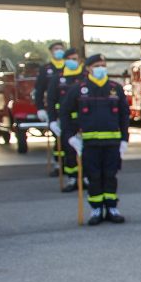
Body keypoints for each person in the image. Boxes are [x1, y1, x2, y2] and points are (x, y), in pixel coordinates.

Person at [62, 54, 129, 225]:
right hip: (90, 144)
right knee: (94, 177)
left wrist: (124, 139)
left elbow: (124, 116)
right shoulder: (79, 89)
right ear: (89, 68)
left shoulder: (115, 88)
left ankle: (112, 208)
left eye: (103, 65)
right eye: (97, 65)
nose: (101, 68)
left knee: (110, 176)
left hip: (112, 143)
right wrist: (70, 137)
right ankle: (96, 209)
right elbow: (65, 113)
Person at [47, 48, 84, 192]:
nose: (73, 61)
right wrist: (52, 120)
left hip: (84, 121)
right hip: (66, 120)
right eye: (70, 59)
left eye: (75, 58)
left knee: (87, 151)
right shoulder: (58, 77)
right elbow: (51, 100)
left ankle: (85, 177)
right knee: (69, 151)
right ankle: (72, 178)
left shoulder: (85, 76)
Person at [35, 41, 66, 176]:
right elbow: (39, 91)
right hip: (54, 110)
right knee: (58, 139)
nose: (59, 51)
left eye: (61, 49)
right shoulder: (46, 69)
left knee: (69, 138)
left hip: (69, 110)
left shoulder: (70, 67)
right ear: (51, 52)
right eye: (56, 49)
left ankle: (72, 165)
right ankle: (59, 165)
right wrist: (40, 108)